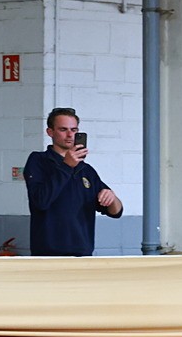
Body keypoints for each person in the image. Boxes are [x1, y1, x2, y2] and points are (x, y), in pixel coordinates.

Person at [24, 107, 123, 256]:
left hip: (82, 252)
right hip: (48, 253)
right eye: (63, 129)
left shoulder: (86, 170)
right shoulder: (38, 160)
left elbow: (116, 212)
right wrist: (67, 165)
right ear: (50, 132)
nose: (70, 134)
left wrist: (112, 197)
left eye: (74, 130)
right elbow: (41, 201)